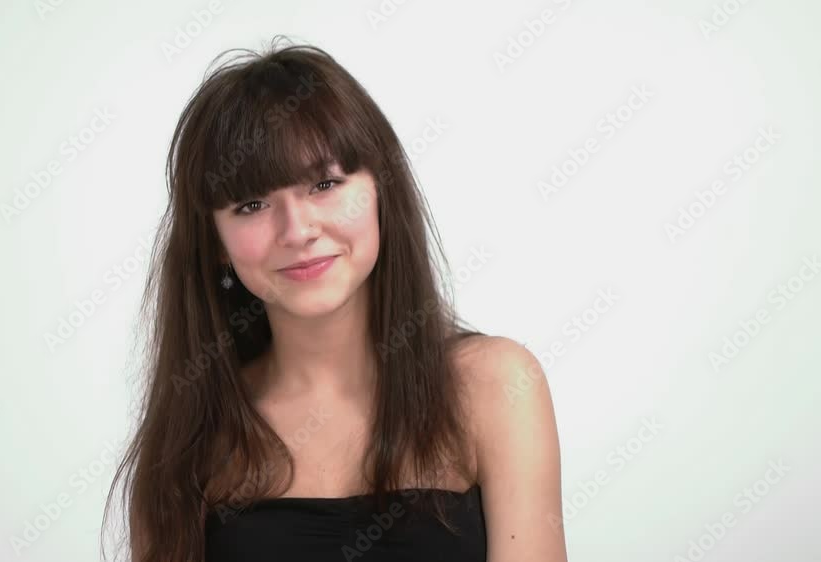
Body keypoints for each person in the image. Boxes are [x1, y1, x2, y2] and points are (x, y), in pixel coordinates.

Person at [102, 36, 568, 562]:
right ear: (214, 244)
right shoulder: (192, 435)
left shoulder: (495, 385)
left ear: (381, 193)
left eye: (324, 184)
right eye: (251, 203)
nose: (298, 230)